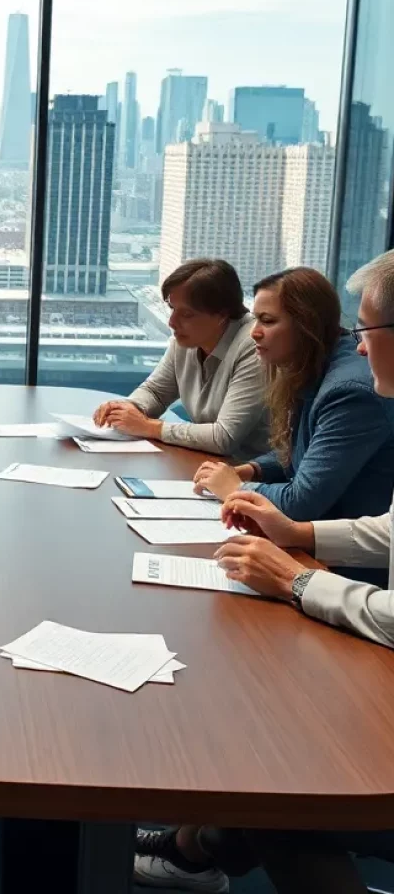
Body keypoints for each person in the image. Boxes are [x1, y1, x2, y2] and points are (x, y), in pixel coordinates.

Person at [135, 250, 394, 894]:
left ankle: (197, 846)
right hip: (348, 578)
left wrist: (296, 577)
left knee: (276, 777)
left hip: (363, 604)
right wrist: (291, 528)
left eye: (365, 333)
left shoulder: (349, 389)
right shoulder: (330, 376)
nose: (358, 350)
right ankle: (194, 846)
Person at [192, 266, 394, 521]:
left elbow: (301, 503)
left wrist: (235, 489)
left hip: (334, 554)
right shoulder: (315, 363)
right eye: (255, 319)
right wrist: (251, 470)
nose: (254, 332)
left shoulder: (351, 392)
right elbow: (306, 450)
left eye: (267, 321)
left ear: (305, 324)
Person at [93, 259, 268, 458]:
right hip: (208, 463)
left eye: (186, 314)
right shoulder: (188, 338)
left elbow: (223, 437)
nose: (172, 322)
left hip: (257, 476)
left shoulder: (255, 345)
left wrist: (149, 427)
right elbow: (156, 391)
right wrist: (127, 409)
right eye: (172, 309)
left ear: (221, 315)